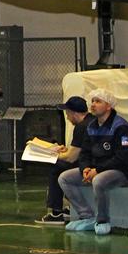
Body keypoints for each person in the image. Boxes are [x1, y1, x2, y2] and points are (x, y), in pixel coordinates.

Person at [59, 88, 128, 234]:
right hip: (96, 169)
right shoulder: (91, 126)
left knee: (99, 180)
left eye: (98, 101)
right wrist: (85, 169)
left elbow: (123, 157)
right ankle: (86, 216)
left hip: (121, 171)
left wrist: (97, 170)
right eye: (92, 101)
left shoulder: (122, 127)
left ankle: (102, 220)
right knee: (64, 178)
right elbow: (85, 153)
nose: (93, 104)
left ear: (109, 106)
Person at [37, 96, 88, 224]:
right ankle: (69, 207)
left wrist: (51, 154)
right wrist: (65, 151)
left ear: (73, 113)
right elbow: (79, 150)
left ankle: (56, 212)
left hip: (87, 165)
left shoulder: (81, 127)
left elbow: (71, 158)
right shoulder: (91, 121)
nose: (67, 117)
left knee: (57, 167)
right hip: (89, 160)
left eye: (67, 113)